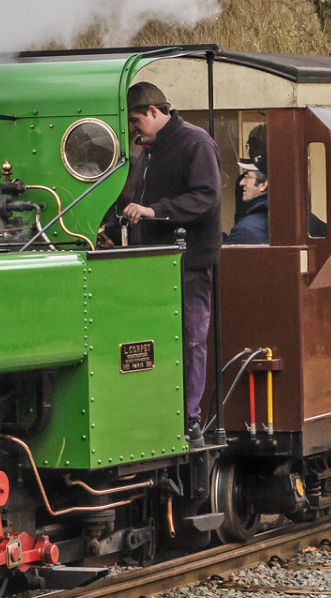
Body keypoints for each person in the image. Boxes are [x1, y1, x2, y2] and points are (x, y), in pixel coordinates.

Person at [98, 81, 223, 443]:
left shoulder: (196, 143)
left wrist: (155, 211)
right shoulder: (147, 155)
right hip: (150, 266)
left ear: (153, 112)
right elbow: (133, 206)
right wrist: (111, 231)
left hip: (189, 266)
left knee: (191, 341)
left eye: (135, 121)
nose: (133, 130)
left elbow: (206, 198)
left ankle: (189, 418)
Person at [224, 156, 270, 245]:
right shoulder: (271, 216)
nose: (241, 183)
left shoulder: (245, 231)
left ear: (263, 184)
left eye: (247, 177)